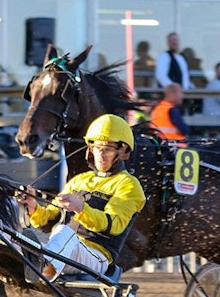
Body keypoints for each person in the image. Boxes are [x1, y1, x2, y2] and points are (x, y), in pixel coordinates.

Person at [18, 114, 146, 280]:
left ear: (121, 151)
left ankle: (44, 269)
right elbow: (48, 218)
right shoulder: (79, 181)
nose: (101, 154)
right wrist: (33, 206)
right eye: (97, 148)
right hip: (66, 252)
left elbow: (113, 224)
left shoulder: (128, 185)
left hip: (96, 258)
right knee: (13, 236)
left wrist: (80, 208)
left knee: (64, 231)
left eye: (107, 149)